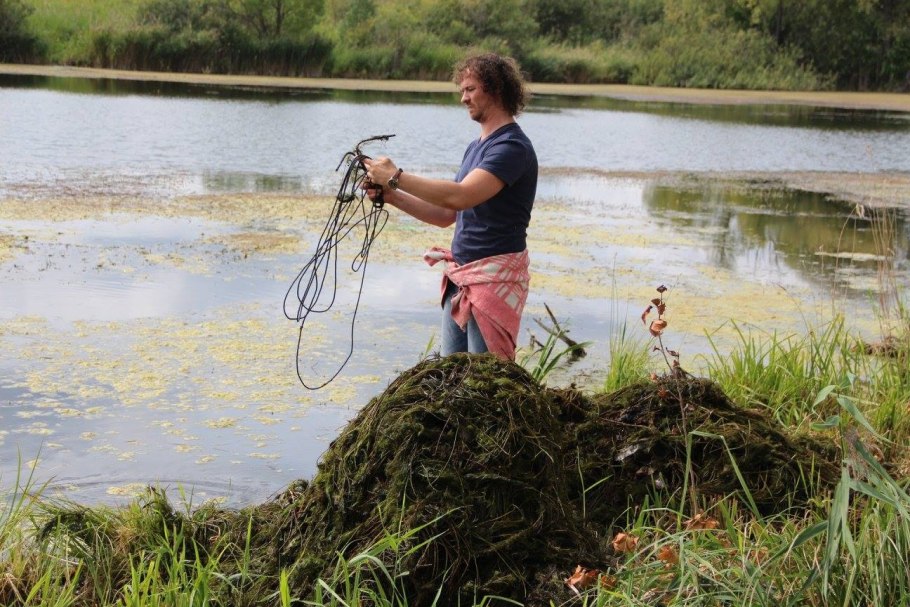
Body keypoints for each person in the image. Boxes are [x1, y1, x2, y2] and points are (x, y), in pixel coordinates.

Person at [363, 52, 537, 360]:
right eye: (462, 90)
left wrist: (396, 177)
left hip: (492, 281)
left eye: (470, 89)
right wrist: (391, 195)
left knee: (483, 382)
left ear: (496, 89)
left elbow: (460, 196)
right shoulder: (476, 147)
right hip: (461, 277)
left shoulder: (511, 147)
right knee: (450, 378)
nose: (463, 98)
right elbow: (447, 214)